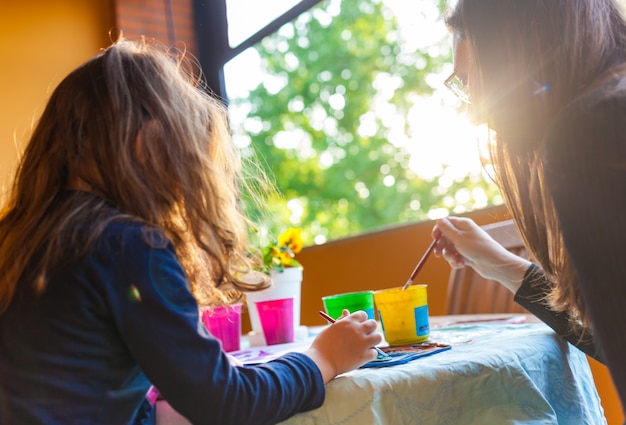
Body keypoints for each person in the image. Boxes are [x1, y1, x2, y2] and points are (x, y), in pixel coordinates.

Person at [0, 38, 382, 425]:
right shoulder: (124, 244)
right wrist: (323, 358)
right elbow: (227, 403)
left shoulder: (19, 241)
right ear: (148, 139)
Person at [433, 0, 626, 418]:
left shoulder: (590, 133)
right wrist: (498, 263)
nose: (472, 113)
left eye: (468, 81)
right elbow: (609, 335)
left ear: (514, 52)